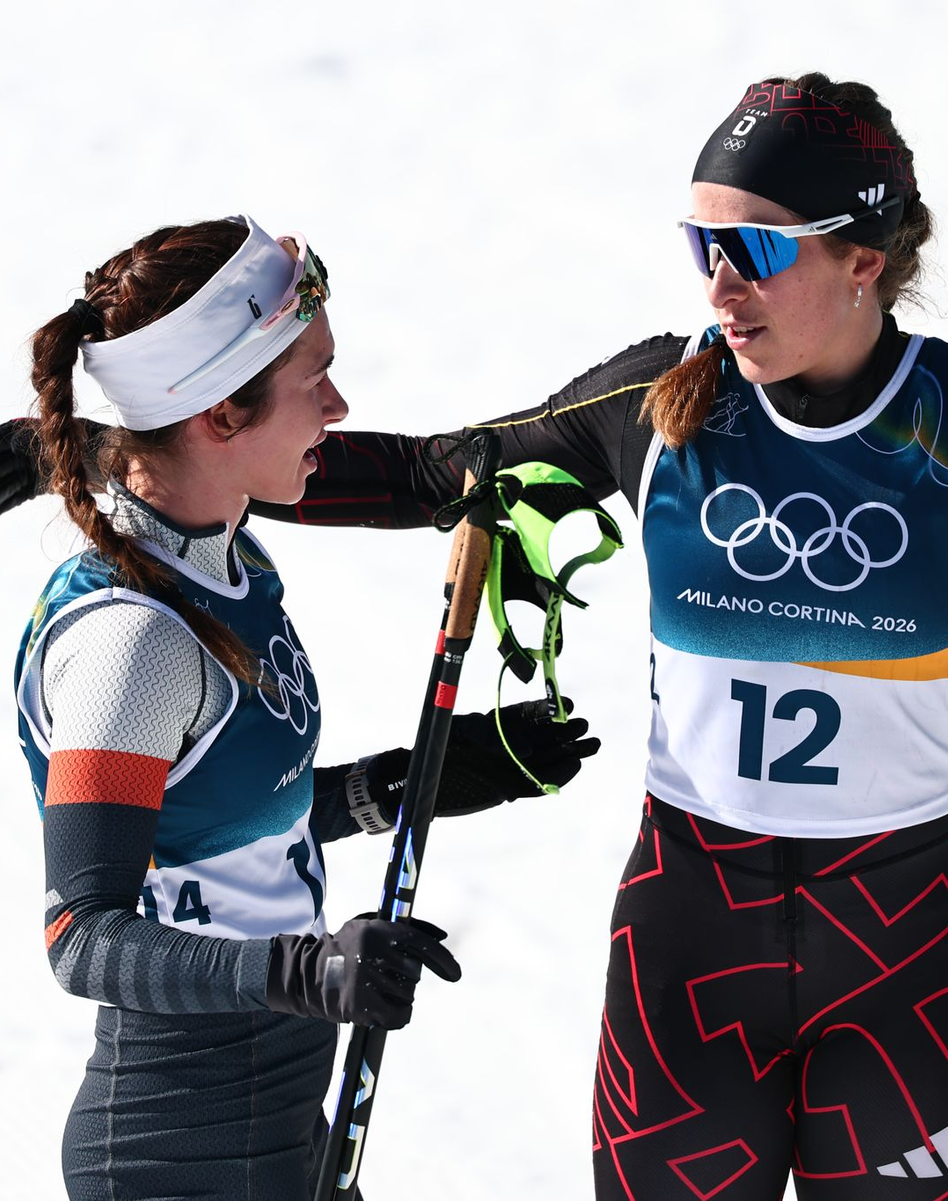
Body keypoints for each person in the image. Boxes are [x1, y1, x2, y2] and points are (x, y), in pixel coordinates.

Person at [3, 78, 948, 1198]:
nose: (721, 283)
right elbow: (422, 473)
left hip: (898, 947)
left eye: (759, 251)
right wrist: (112, 445)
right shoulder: (661, 402)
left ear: (862, 260)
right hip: (693, 937)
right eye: (704, 247)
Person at [11, 215, 598, 1200]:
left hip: (284, 1134)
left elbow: (221, 838)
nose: (338, 405)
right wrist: (305, 971)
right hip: (173, 1157)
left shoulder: (232, 568)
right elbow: (83, 933)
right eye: (311, 378)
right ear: (220, 415)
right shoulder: (130, 640)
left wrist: (400, 785)